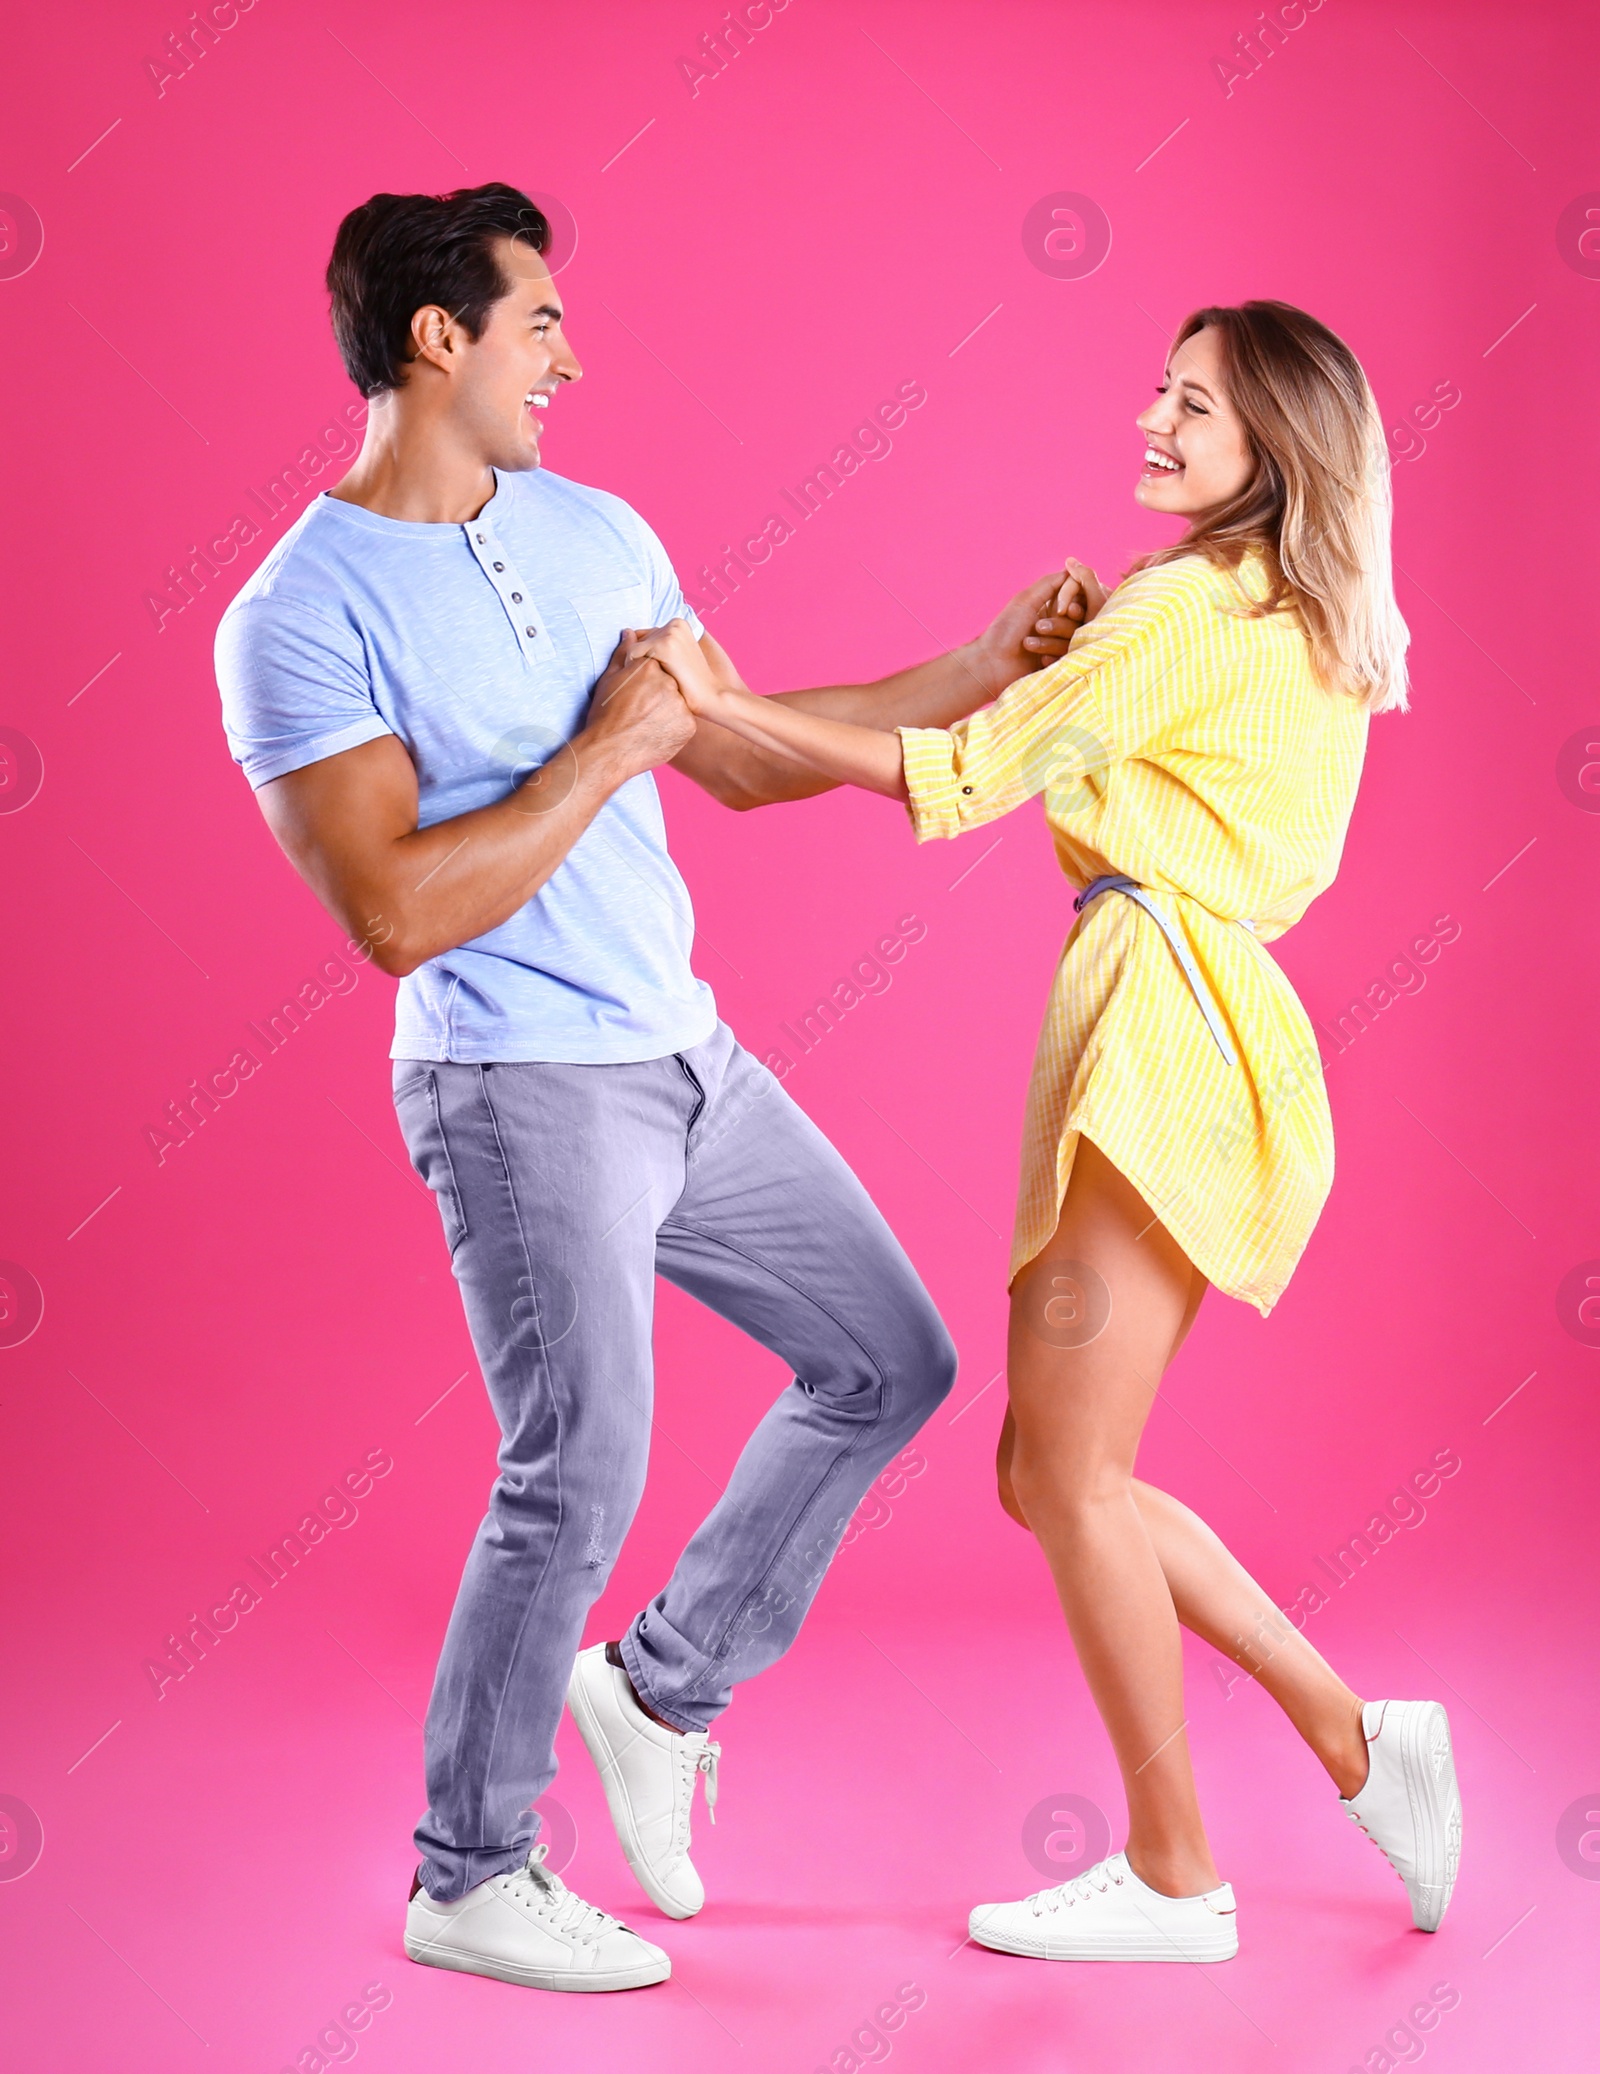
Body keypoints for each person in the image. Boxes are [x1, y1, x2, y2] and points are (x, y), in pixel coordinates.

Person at [213, 181, 1094, 1993]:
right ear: (437, 339)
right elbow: (394, 910)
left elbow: (751, 758)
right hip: (520, 1084)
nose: (571, 357)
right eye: (540, 324)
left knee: (893, 1356)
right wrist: (610, 747)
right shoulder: (290, 618)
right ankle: (468, 1868)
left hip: (687, 1054)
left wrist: (984, 671)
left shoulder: (597, 530)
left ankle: (658, 1687)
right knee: (581, 1460)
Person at [629, 300, 1464, 1964]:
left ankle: (1174, 1869)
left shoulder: (1176, 608)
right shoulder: (1294, 616)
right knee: (1049, 1468)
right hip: (1222, 1025)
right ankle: (1364, 1741)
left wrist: (704, 708)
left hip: (1155, 1026)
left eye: (1198, 406)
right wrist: (1057, 662)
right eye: (1161, 388)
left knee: (1065, 1470)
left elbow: (955, 775)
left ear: (1274, 448)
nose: (1155, 420)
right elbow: (1048, 742)